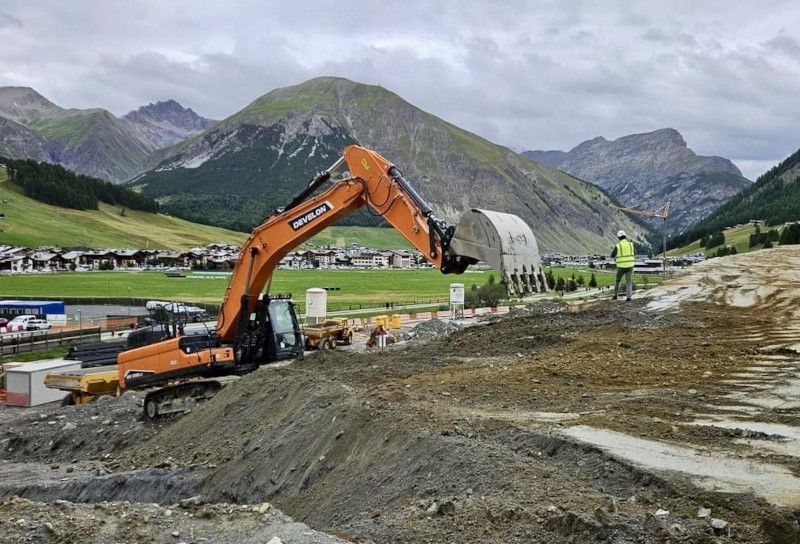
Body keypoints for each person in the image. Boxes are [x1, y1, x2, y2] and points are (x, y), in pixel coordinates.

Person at [610, 229, 635, 301]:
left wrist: (616, 257)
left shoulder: (618, 245)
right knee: (629, 282)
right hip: (630, 265)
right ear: (625, 236)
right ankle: (629, 297)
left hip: (621, 266)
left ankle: (615, 296)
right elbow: (634, 253)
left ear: (618, 237)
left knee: (617, 280)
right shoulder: (631, 244)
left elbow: (612, 255)